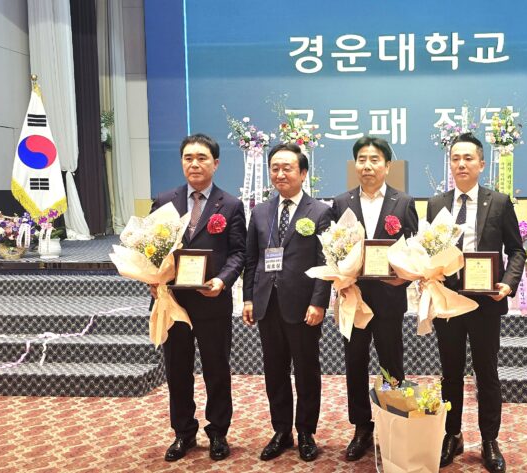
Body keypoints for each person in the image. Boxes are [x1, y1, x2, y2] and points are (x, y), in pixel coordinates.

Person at [425, 133, 525, 473]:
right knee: (450, 374)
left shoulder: (498, 202)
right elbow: (428, 250)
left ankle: (489, 440)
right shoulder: (436, 204)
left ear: (482, 164)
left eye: (468, 158)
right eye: (456, 158)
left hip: (485, 303)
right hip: (448, 301)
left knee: (486, 373)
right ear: (450, 164)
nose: (461, 164)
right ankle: (452, 435)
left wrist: (508, 283)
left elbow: (517, 250)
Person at [149, 133, 246, 462]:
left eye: (202, 158)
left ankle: (218, 432)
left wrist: (222, 280)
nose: (194, 164)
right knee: (177, 369)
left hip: (212, 300)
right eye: (188, 157)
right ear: (181, 162)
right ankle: (183, 432)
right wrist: (152, 279)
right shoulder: (165, 200)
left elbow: (238, 253)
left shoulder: (230, 205)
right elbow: (149, 248)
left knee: (216, 369)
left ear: (215, 163)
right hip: (172, 302)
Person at [329, 136, 419, 461]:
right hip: (354, 298)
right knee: (354, 363)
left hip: (389, 298)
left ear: (387, 165)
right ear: (355, 164)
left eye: (375, 159)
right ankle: (361, 428)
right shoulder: (341, 203)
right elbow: (333, 249)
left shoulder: (403, 202)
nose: (367, 166)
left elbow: (414, 249)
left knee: (391, 363)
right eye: (362, 159)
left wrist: (404, 275)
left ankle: (394, 423)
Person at [242, 142, 332, 462]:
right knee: (274, 371)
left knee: (306, 371)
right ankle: (281, 430)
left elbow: (326, 261)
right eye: (275, 168)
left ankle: (306, 431)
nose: (280, 174)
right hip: (268, 304)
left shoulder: (319, 211)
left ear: (303, 173)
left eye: (287, 168)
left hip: (303, 305)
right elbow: (252, 259)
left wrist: (319, 302)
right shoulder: (260, 212)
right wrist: (248, 298)